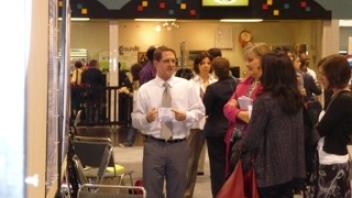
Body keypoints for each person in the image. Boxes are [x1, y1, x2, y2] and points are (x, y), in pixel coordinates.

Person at [131, 46, 205, 198]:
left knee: (178, 191)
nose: (171, 64)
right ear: (155, 63)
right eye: (166, 61)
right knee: (152, 191)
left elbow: (200, 112)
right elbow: (135, 120)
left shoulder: (187, 86)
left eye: (173, 61)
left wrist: (185, 116)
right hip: (153, 146)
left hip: (179, 145)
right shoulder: (145, 90)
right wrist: (146, 118)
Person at [234, 52, 306, 197]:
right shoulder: (296, 98)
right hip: (291, 168)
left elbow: (252, 138)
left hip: (268, 171)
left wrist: (238, 148)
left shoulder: (265, 100)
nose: (260, 73)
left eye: (263, 68)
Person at [305, 55, 352, 198]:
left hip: (333, 162)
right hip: (327, 158)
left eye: (322, 74)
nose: (320, 78)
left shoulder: (344, 99)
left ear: (334, 75)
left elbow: (322, 128)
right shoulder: (335, 96)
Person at [223, 43, 271, 176]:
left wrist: (236, 109)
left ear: (263, 60)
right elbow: (226, 108)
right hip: (235, 140)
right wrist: (239, 113)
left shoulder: (270, 86)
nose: (246, 64)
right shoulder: (245, 82)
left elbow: (255, 117)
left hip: (254, 145)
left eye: (250, 60)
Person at [203, 57, 238, 197]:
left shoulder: (212, 89)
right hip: (234, 130)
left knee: (217, 168)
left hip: (215, 132)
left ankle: (219, 195)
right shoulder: (238, 84)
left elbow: (205, 109)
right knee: (233, 167)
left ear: (215, 72)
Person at [184, 52, 216, 198]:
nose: (206, 66)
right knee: (190, 162)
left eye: (208, 63)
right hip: (196, 126)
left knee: (216, 162)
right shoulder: (191, 84)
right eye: (203, 63)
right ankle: (186, 193)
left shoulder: (216, 82)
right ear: (197, 65)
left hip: (214, 126)